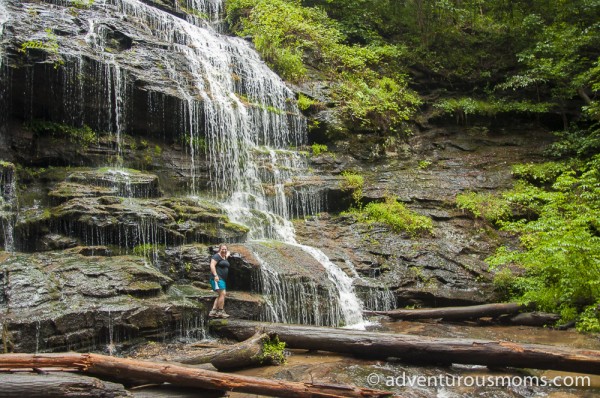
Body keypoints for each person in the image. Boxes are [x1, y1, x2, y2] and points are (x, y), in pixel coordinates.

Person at [209, 243, 231, 318]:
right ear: (219, 249)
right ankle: (220, 311)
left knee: (220, 295)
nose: (224, 251)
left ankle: (213, 311)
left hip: (222, 279)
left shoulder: (224, 256)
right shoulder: (216, 256)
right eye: (222, 249)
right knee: (223, 293)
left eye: (225, 249)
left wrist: (228, 253)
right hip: (217, 278)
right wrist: (215, 275)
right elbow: (212, 265)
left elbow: (226, 255)